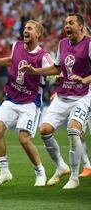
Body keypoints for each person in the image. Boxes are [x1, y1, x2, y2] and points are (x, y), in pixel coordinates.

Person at [20, 13, 91, 189]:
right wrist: (34, 71)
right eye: (66, 23)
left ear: (81, 27)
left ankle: (75, 176)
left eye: (71, 23)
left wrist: (84, 80)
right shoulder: (62, 43)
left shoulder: (89, 44)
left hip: (82, 95)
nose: (67, 26)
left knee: (74, 130)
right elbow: (57, 68)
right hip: (62, 95)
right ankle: (61, 167)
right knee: (45, 130)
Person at [0, 20, 52, 186]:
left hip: (30, 102)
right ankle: (4, 171)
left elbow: (56, 69)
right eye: (25, 28)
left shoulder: (43, 56)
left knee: (24, 139)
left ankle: (40, 172)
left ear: (38, 34)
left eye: (30, 28)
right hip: (11, 97)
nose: (25, 30)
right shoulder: (16, 45)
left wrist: (36, 72)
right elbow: (12, 60)